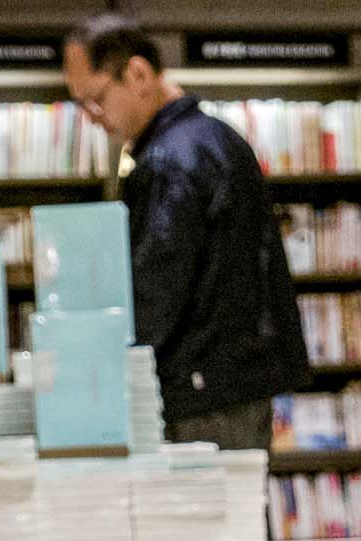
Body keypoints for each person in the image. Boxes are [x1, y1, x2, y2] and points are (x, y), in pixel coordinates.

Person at [61, 16, 311, 451]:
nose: (93, 118)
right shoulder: (217, 138)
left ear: (138, 74)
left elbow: (156, 290)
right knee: (240, 512)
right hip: (233, 384)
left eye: (96, 99)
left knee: (203, 515)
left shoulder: (170, 161)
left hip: (198, 392)